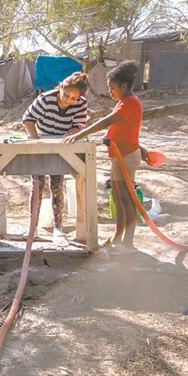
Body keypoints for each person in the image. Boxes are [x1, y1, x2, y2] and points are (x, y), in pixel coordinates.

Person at [63, 61, 148, 250]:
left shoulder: (129, 104)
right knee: (118, 198)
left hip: (126, 156)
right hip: (120, 155)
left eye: (112, 88)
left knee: (126, 198)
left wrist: (79, 134)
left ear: (124, 86)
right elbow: (125, 129)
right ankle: (119, 237)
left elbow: (105, 122)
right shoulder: (124, 103)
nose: (110, 92)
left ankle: (128, 242)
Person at [22, 71, 89, 242]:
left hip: (62, 145)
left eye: (74, 98)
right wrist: (36, 141)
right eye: (66, 95)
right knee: (37, 184)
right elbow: (28, 119)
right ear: (60, 87)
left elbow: (79, 126)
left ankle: (58, 227)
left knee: (57, 185)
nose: (69, 100)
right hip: (41, 142)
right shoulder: (45, 99)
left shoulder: (81, 104)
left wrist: (68, 137)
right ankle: (33, 227)